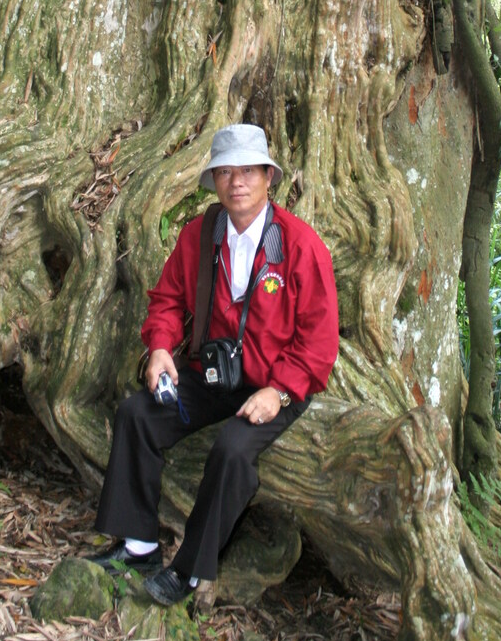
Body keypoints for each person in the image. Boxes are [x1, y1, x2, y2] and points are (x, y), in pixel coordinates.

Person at [87, 123, 339, 605]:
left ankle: (188, 571)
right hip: (212, 374)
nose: (236, 182)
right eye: (225, 172)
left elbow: (320, 340)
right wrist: (160, 348)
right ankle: (138, 545)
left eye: (247, 171)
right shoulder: (202, 236)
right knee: (139, 415)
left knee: (232, 450)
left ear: (269, 177)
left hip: (275, 383)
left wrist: (281, 391)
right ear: (214, 181)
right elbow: (166, 301)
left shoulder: (300, 246)